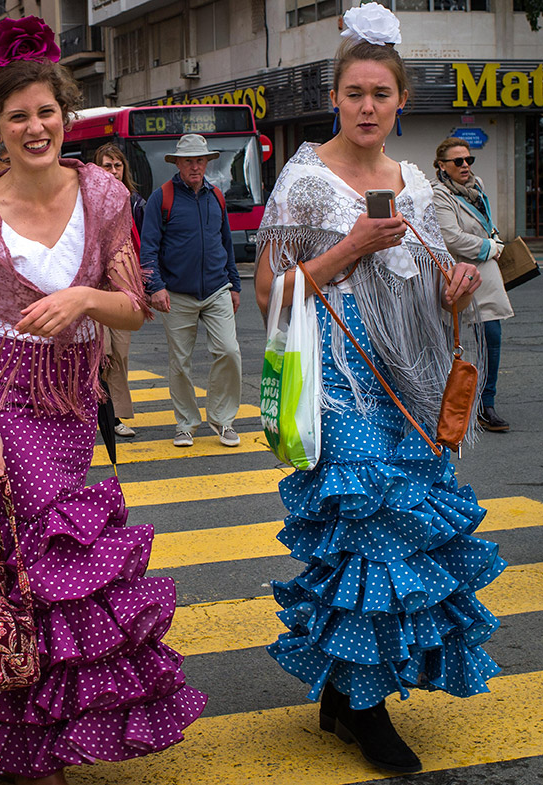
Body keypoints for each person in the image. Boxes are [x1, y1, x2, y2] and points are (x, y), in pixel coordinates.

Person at [0, 22, 206, 784]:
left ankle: (28, 729)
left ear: (64, 115)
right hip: (4, 392)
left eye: (45, 112)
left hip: (74, 402)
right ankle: (31, 747)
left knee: (42, 570)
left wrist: (83, 294)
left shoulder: (103, 192)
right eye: (18, 117)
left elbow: (134, 307)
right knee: (42, 556)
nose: (35, 127)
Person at [253, 6, 503, 774]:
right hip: (340, 378)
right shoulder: (303, 180)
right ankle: (366, 708)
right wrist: (350, 248)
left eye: (381, 94)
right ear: (336, 95)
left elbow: (426, 288)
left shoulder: (416, 181)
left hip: (411, 379)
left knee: (406, 529)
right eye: (355, 92)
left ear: (401, 103)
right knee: (369, 535)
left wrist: (453, 285)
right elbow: (269, 292)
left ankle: (342, 690)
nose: (367, 106)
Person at [140, 133, 243, 449]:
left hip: (217, 289)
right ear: (178, 164)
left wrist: (235, 285)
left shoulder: (217, 197)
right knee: (180, 362)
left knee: (229, 351)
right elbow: (148, 249)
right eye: (189, 161)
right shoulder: (162, 197)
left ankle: (223, 420)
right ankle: (186, 424)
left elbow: (226, 243)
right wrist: (155, 287)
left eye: (200, 160)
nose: (195, 166)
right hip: (178, 294)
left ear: (207, 162)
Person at [431, 136, 514, 432]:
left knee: (492, 338)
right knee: (450, 343)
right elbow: (450, 236)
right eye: (458, 161)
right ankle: (447, 402)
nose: (465, 165)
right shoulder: (439, 194)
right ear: (442, 166)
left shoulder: (475, 189)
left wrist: (495, 235)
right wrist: (488, 247)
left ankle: (485, 404)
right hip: (460, 276)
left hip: (486, 277)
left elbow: (483, 224)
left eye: (468, 160)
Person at [95, 143, 146, 438]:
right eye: (106, 165)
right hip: (95, 287)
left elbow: (144, 243)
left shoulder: (135, 202)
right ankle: (96, 412)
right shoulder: (87, 202)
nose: (112, 172)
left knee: (120, 354)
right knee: (101, 352)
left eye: (117, 166)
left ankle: (113, 416)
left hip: (125, 286)